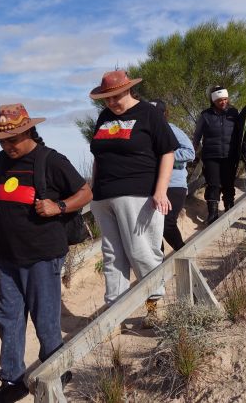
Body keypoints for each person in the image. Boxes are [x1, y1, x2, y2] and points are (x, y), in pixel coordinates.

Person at [0, 103, 92, 402]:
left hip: (43, 255)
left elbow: (85, 191)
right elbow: (9, 190)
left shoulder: (51, 160)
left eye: (13, 139)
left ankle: (57, 370)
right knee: (9, 319)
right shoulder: (1, 161)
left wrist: (60, 206)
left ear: (29, 130)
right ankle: (12, 380)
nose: (7, 145)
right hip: (8, 255)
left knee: (45, 321)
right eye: (3, 140)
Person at [88, 70, 178, 322]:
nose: (112, 103)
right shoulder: (104, 117)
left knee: (142, 252)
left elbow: (167, 152)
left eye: (116, 97)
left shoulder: (149, 113)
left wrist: (161, 190)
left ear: (128, 90)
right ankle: (114, 314)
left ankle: (155, 309)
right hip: (104, 196)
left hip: (138, 193)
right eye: (107, 99)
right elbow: (99, 156)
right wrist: (95, 189)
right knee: (113, 255)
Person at [149, 99, 194, 251]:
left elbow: (190, 153)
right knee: (152, 228)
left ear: (164, 114)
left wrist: (165, 156)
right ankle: (158, 266)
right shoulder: (145, 132)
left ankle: (184, 255)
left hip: (174, 184)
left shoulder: (172, 130)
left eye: (157, 114)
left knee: (167, 223)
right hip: (152, 186)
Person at [192, 86, 240, 224]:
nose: (223, 102)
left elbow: (240, 132)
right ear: (213, 101)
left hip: (230, 155)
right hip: (211, 156)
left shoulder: (234, 112)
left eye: (225, 99)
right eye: (219, 100)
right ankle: (213, 214)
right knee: (213, 184)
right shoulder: (205, 115)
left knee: (228, 184)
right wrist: (193, 151)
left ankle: (229, 210)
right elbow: (197, 135)